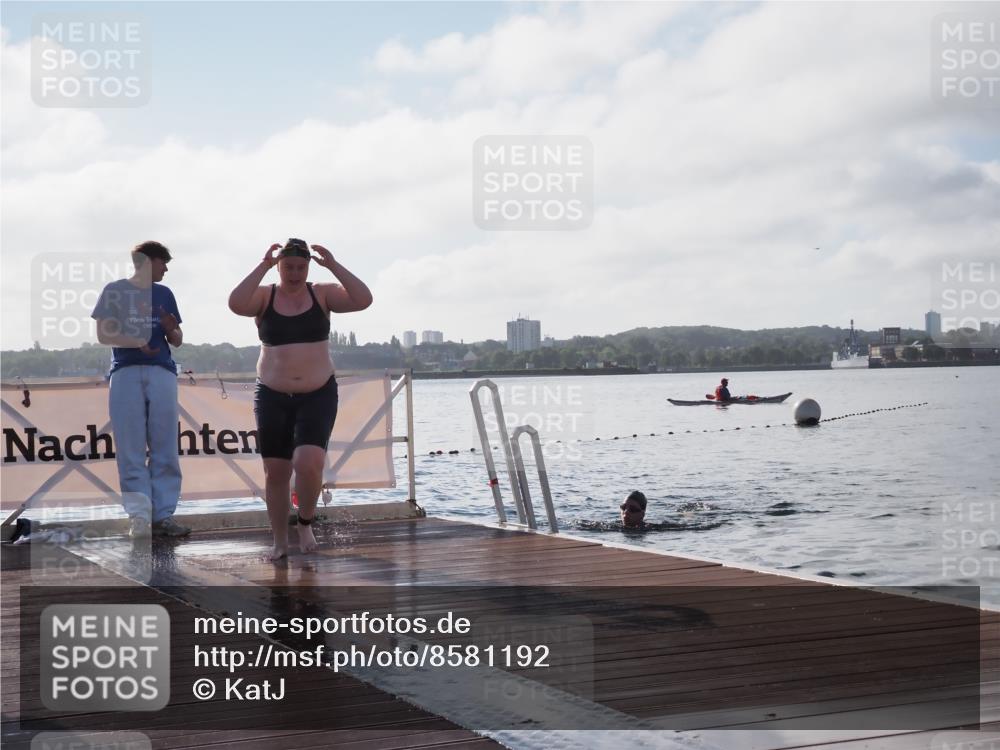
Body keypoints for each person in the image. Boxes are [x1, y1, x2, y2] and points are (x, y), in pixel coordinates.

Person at [228, 238, 372, 561]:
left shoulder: (321, 293)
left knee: (309, 463)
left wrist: (333, 265)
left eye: (300, 268)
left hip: (317, 393)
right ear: (279, 267)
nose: (294, 273)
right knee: (276, 472)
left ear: (308, 267)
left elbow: (363, 299)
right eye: (288, 267)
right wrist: (263, 265)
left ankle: (305, 522)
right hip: (272, 394)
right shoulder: (264, 296)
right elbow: (236, 303)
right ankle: (280, 540)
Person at [91, 241, 189, 538]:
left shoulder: (165, 293)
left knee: (165, 446)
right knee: (130, 447)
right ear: (147, 262)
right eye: (163, 262)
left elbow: (177, 339)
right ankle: (139, 517)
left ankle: (163, 516)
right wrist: (137, 342)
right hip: (125, 371)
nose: (166, 269)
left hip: (161, 371)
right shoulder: (115, 290)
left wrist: (171, 328)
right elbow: (103, 334)